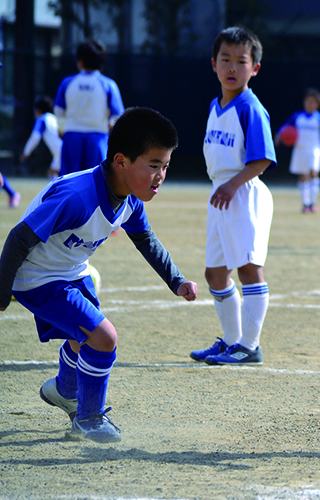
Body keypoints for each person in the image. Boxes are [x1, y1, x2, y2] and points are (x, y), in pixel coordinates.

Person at [0, 107, 198, 443]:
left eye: (165, 165)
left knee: (83, 339)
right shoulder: (77, 197)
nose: (161, 175)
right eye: (153, 165)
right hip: (37, 278)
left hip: (72, 272)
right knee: (104, 337)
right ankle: (89, 417)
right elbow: (19, 238)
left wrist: (176, 280)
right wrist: (2, 293)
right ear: (121, 162)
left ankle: (64, 390)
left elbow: (145, 240)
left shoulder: (130, 200)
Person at [189, 26, 276, 366]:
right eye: (225, 59)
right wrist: (223, 186)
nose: (231, 67)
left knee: (249, 269)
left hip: (243, 193)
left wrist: (233, 184)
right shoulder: (216, 105)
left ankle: (249, 346)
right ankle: (230, 341)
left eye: (241, 61)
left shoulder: (250, 107)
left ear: (254, 68)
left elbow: (263, 158)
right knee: (215, 273)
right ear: (213, 63)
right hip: (221, 193)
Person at [54, 38, 125, 176]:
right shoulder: (108, 85)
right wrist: (110, 126)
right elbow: (118, 116)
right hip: (98, 138)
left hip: (72, 137)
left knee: (69, 181)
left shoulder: (67, 82)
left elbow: (59, 111)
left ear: (80, 61)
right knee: (98, 182)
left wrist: (62, 128)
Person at [276, 88, 320, 213]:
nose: (309, 104)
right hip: (300, 150)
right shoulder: (297, 116)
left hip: (314, 150)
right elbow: (285, 128)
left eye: (313, 102)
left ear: (318, 104)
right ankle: (305, 204)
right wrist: (279, 136)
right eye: (308, 101)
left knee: (314, 173)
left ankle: (313, 203)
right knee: (303, 176)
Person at [21, 96, 63, 180]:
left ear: (39, 110)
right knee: (52, 172)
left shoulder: (42, 119)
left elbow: (35, 137)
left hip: (61, 152)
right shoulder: (53, 118)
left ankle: (57, 192)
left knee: (53, 173)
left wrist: (26, 152)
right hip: (63, 151)